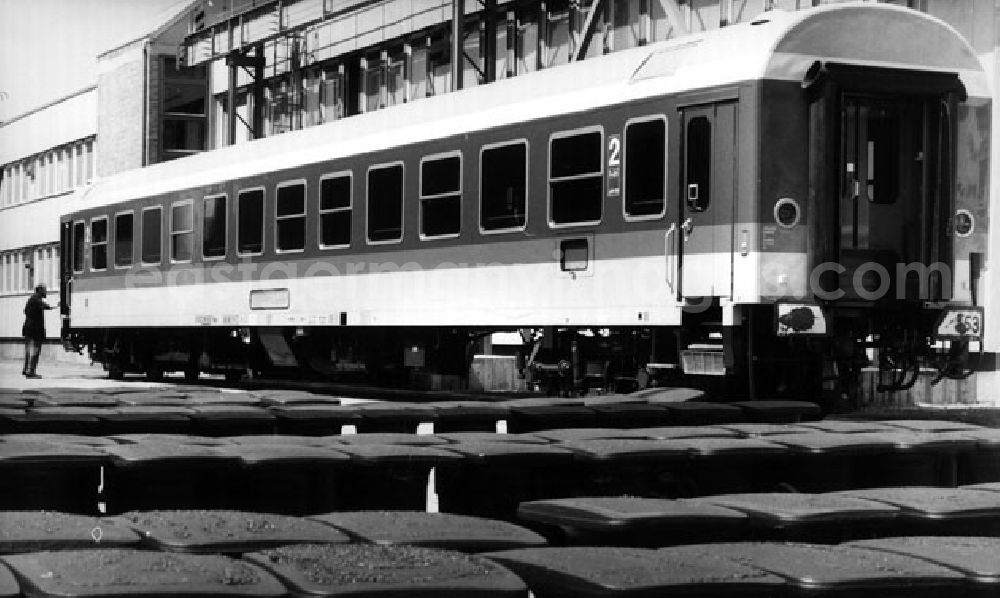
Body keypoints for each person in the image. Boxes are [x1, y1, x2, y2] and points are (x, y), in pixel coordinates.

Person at [22, 284, 55, 378]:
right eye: (45, 290)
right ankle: (31, 372)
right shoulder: (36, 299)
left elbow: (25, 311)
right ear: (39, 290)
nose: (46, 292)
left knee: (29, 350)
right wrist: (55, 306)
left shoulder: (32, 299)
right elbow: (45, 306)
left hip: (28, 328)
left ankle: (26, 369)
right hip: (34, 330)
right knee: (35, 350)